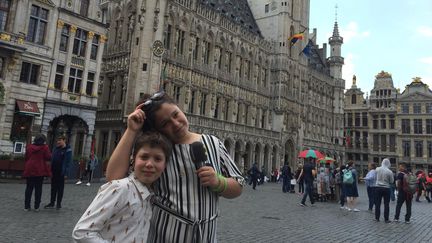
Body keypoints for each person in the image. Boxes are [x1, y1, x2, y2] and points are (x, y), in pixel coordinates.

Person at [105, 92, 244, 243]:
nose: (176, 124)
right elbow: (113, 177)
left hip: (205, 237)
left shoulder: (213, 143)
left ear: (180, 108)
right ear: (157, 130)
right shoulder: (157, 153)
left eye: (176, 114)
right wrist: (131, 130)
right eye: (165, 123)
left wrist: (218, 182)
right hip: (163, 236)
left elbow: (238, 186)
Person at [72, 131, 172, 242]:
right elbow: (82, 232)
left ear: (165, 165)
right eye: (144, 157)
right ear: (133, 160)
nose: (149, 164)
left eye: (157, 159)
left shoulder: (153, 197)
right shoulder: (120, 188)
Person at [22, 134, 52, 211]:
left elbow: (26, 157)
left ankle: (26, 206)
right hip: (39, 169)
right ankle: (36, 206)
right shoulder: (45, 147)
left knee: (29, 188)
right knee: (38, 188)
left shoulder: (29, 147)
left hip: (30, 168)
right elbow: (48, 157)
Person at [44, 135, 72, 210]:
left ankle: (58, 203)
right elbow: (52, 158)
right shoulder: (56, 149)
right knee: (53, 188)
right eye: (58, 140)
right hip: (54, 171)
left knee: (60, 188)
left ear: (64, 140)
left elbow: (68, 163)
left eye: (60, 140)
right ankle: (52, 202)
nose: (58, 142)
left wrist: (66, 173)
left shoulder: (68, 150)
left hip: (61, 172)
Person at [374, 158, 394, 223]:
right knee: (386, 204)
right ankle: (386, 219)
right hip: (386, 188)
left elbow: (375, 177)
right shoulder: (389, 171)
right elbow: (392, 181)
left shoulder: (377, 169)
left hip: (378, 188)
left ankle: (377, 218)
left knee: (377, 203)